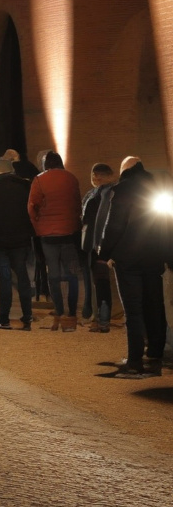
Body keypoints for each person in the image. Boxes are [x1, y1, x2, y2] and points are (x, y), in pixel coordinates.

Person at [99, 156, 170, 378]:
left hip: (128, 258)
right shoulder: (157, 189)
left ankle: (135, 361)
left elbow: (114, 225)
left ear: (124, 171)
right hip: (154, 256)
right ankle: (155, 355)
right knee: (154, 305)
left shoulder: (123, 189)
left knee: (133, 310)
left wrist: (104, 254)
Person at [28, 150, 82, 331]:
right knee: (72, 274)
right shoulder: (71, 178)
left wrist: (38, 225)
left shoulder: (39, 180)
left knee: (53, 275)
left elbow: (32, 206)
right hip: (69, 233)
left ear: (45, 164)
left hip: (48, 235)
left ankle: (58, 312)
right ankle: (71, 314)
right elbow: (77, 204)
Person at [0, 157, 34, 329]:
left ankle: (4, 318)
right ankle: (27, 316)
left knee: (4, 279)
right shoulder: (24, 186)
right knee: (22, 276)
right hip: (21, 238)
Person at [81, 163, 118, 332]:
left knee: (100, 282)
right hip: (102, 243)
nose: (96, 179)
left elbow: (85, 219)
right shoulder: (113, 192)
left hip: (99, 245)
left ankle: (102, 320)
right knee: (100, 282)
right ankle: (101, 318)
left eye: (98, 176)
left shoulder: (95, 195)